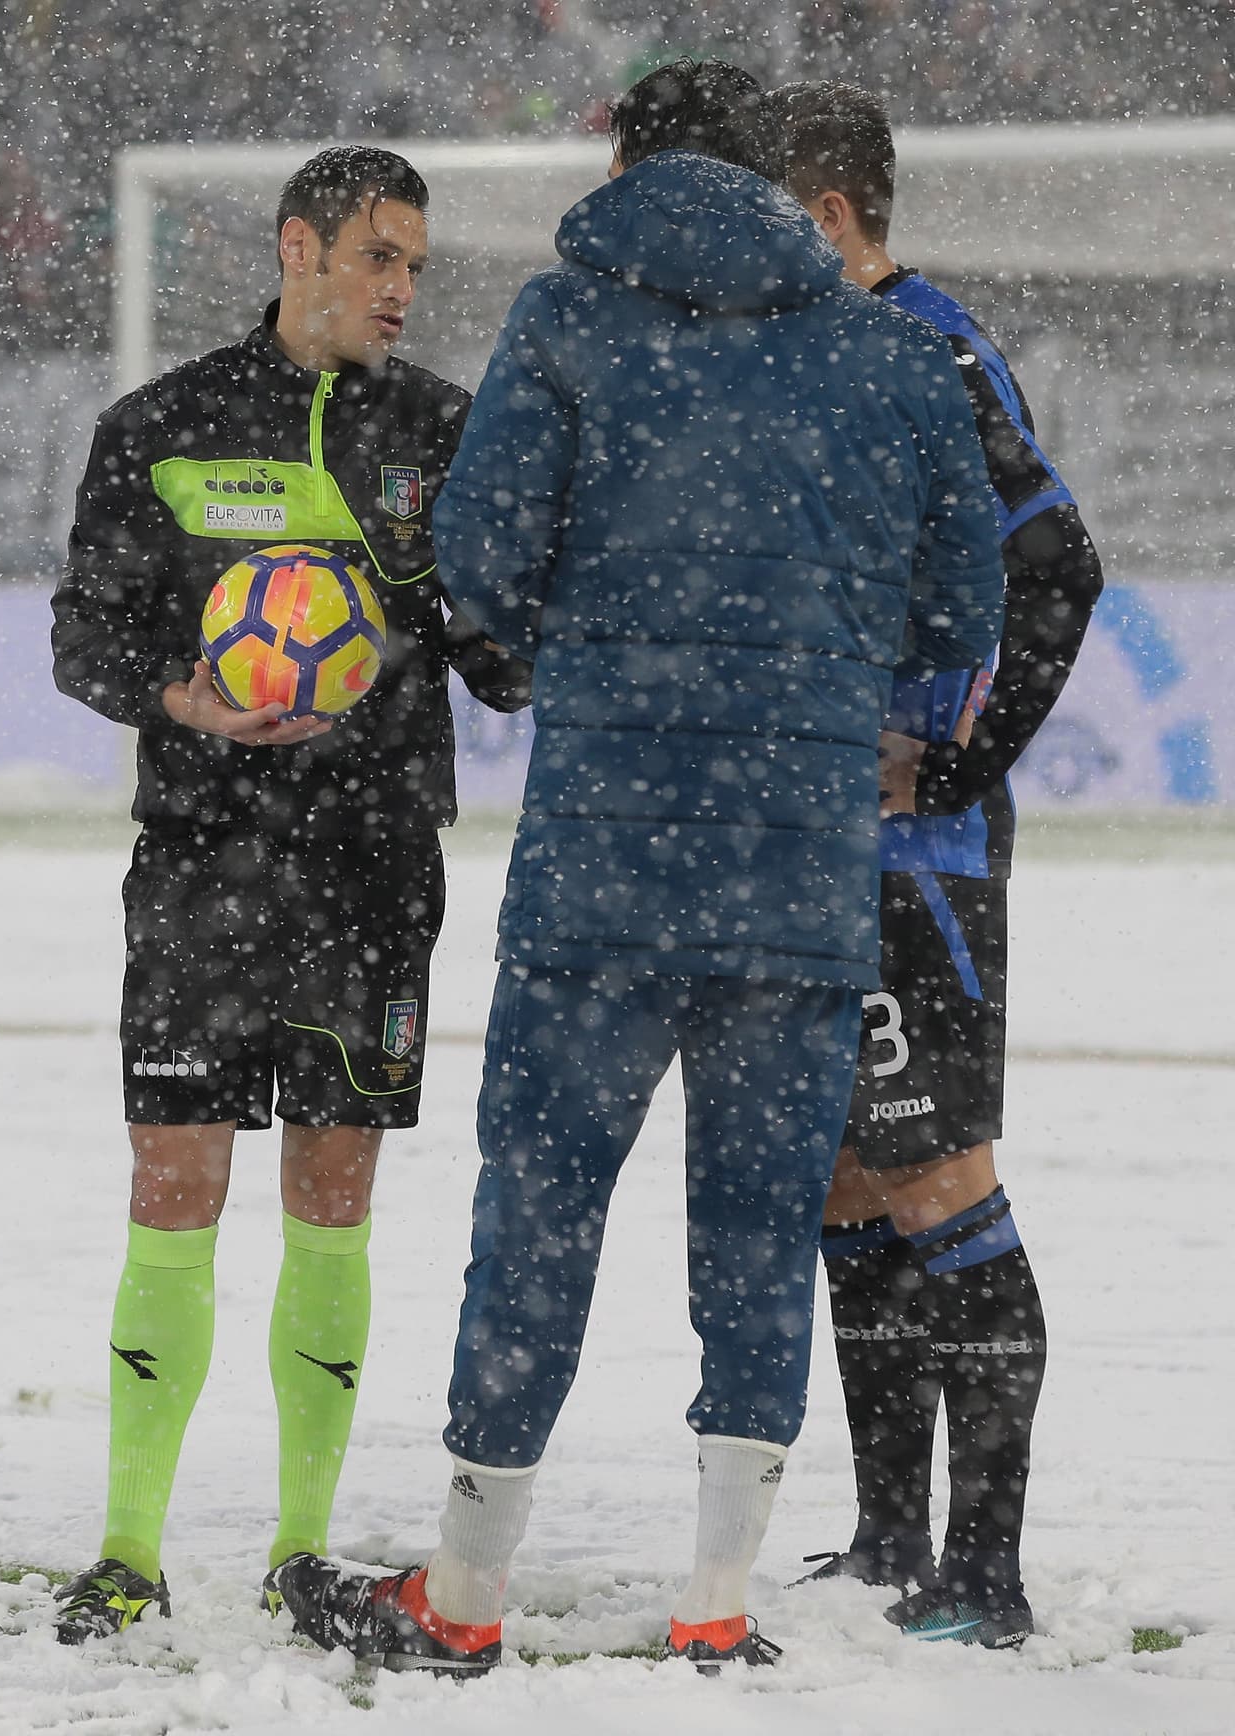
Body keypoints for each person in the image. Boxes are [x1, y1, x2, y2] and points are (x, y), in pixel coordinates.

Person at [266, 58, 1004, 1676]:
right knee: (759, 1231)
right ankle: (717, 1599)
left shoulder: (570, 318)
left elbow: (474, 555)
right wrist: (819, 669)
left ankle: (460, 1596)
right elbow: (967, 605)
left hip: (601, 862)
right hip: (802, 867)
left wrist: (590, 650)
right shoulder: (889, 351)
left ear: (628, 161)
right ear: (770, 174)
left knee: (537, 1216)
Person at [48, 145, 531, 1644]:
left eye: (418, 268)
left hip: (378, 864)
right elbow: (84, 639)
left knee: (334, 1197)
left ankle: (300, 1546)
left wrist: (445, 589)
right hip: (203, 861)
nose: (401, 290)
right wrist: (187, 703)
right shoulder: (163, 425)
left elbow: (508, 666)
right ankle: (130, 1545)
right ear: (299, 248)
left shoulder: (446, 434)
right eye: (380, 257)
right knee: (173, 1182)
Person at [777, 79, 1105, 1648]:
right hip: (838, 847)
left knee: (941, 1180)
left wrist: (964, 761)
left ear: (828, 217)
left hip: (923, 857)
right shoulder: (829, 352)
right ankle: (889, 1539)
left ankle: (992, 1574)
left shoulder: (924, 343)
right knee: (850, 1180)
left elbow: (1061, 558)